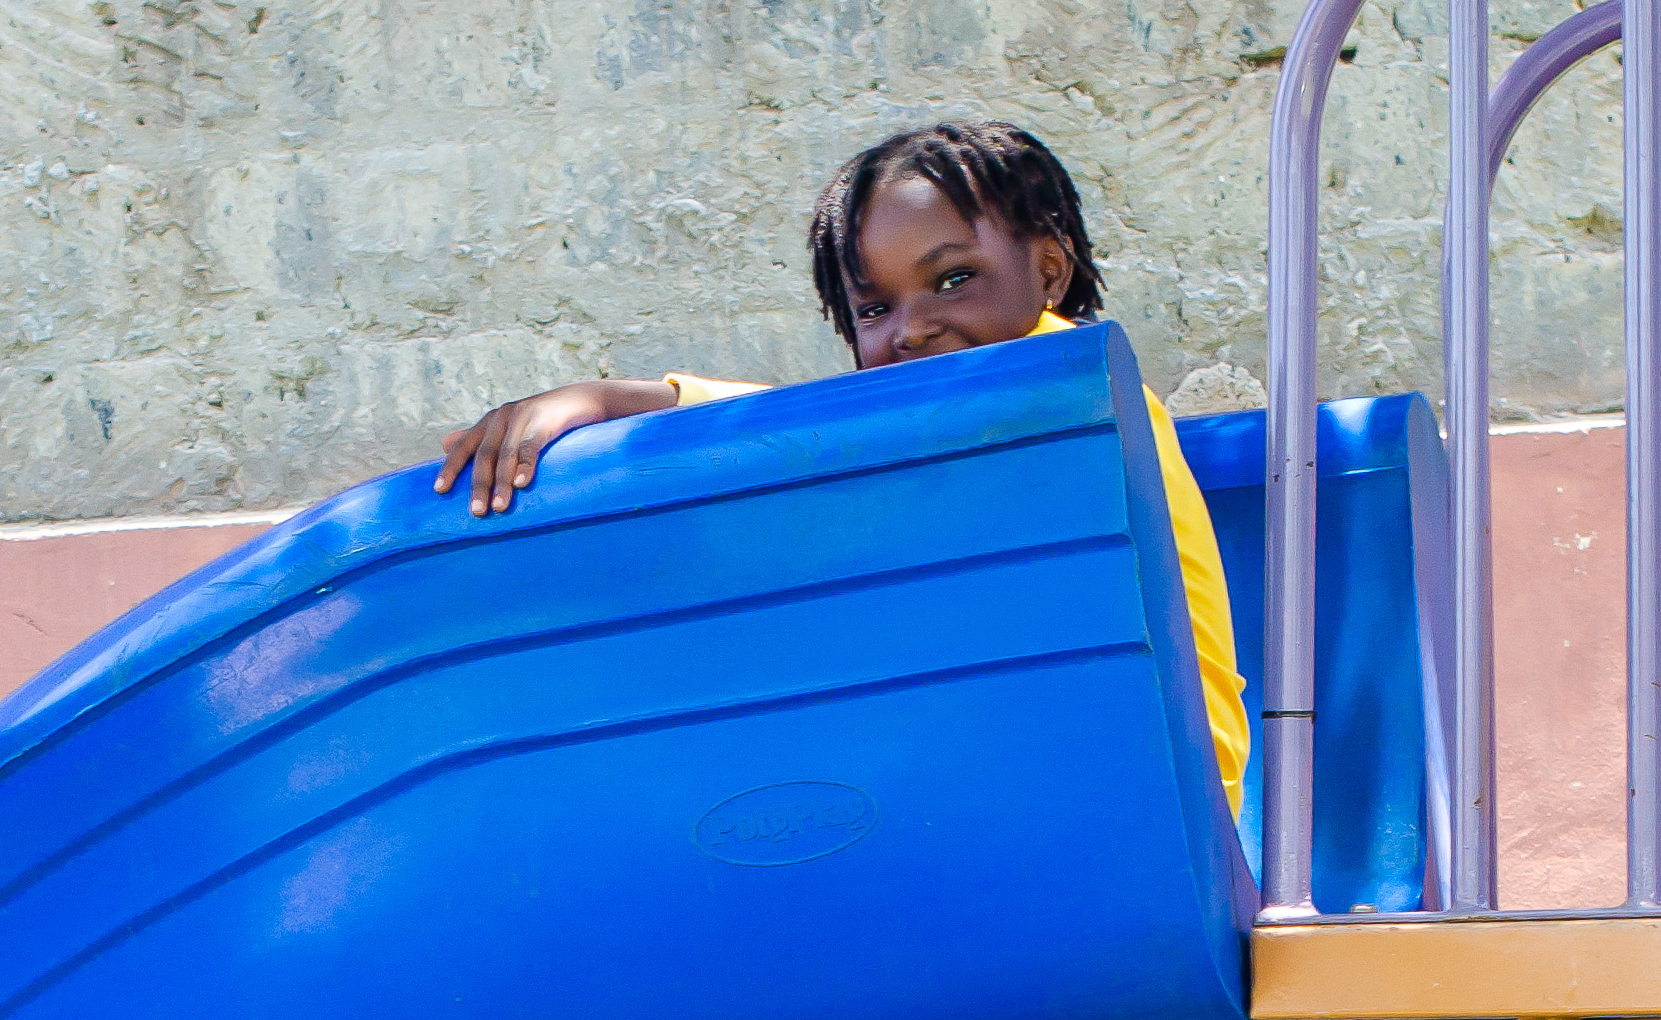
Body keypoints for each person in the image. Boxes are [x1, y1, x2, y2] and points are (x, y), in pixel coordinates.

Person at [434, 118, 1252, 824]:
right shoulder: (953, 422)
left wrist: (630, 397)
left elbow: (831, 430)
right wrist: (619, 398)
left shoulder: (1075, 390)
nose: (914, 328)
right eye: (874, 308)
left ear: (1047, 271)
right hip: (1046, 791)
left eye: (953, 279)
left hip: (1160, 809)